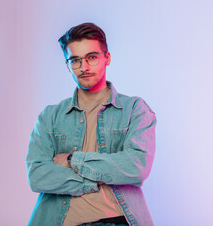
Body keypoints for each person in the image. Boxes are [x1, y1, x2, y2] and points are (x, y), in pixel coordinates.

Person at [26, 22, 156, 226]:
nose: (83, 67)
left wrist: (72, 159)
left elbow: (136, 167)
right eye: (75, 60)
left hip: (117, 221)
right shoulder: (49, 116)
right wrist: (97, 178)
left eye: (92, 57)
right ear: (67, 65)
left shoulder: (135, 110)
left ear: (107, 58)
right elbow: (37, 175)